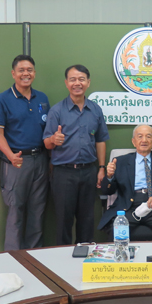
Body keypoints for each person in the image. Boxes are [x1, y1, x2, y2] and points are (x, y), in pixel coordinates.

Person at [43, 64, 109, 245]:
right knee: (63, 220)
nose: (77, 83)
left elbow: (101, 140)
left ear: (88, 82)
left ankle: (85, 257)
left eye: (81, 79)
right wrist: (53, 140)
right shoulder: (56, 111)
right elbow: (46, 142)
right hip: (63, 173)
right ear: (66, 83)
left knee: (87, 219)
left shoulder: (95, 110)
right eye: (72, 79)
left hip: (89, 171)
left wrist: (101, 168)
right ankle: (63, 260)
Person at [0, 55, 50, 250]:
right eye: (22, 70)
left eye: (30, 70)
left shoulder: (42, 98)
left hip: (40, 160)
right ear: (13, 73)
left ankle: (35, 256)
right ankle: (14, 258)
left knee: (38, 211)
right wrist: (10, 155)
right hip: (15, 162)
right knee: (16, 211)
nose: (26, 74)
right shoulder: (2, 100)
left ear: (34, 73)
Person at [98, 124, 152, 241]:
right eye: (140, 136)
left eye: (148, 136)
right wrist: (109, 176)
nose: (144, 140)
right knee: (115, 231)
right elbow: (107, 190)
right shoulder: (121, 161)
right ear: (134, 141)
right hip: (128, 206)